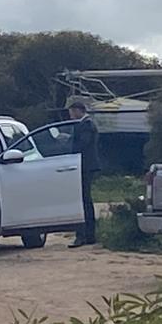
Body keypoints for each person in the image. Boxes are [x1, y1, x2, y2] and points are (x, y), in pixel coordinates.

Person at [67, 99, 101, 248]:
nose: (71, 115)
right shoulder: (84, 125)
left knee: (83, 200)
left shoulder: (86, 125)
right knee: (83, 199)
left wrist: (68, 145)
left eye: (72, 112)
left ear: (78, 110)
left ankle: (85, 234)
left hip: (84, 166)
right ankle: (87, 234)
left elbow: (82, 144)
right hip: (83, 166)